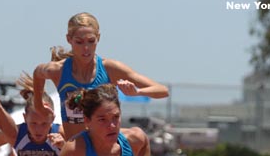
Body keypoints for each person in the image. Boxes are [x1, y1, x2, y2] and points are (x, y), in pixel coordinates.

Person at [31, 12, 169, 141]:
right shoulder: (58, 71)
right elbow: (38, 73)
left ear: (98, 38)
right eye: (79, 42)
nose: (86, 48)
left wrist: (138, 92)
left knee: (139, 138)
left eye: (91, 41)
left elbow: (162, 90)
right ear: (69, 39)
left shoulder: (110, 69)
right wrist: (38, 104)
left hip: (104, 152)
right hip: (75, 152)